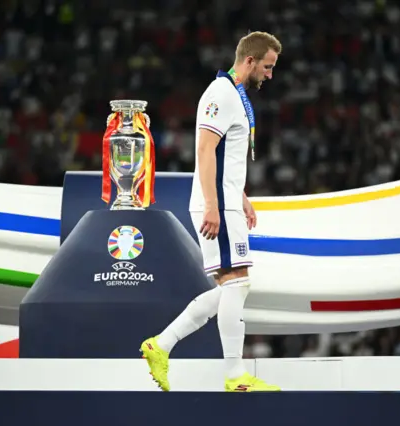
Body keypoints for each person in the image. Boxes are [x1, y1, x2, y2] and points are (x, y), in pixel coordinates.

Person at [140, 31, 282, 392]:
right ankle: (235, 377)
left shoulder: (234, 95)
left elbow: (227, 159)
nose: (270, 74)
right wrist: (214, 206)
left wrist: (241, 196)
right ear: (249, 61)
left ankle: (162, 344)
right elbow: (204, 150)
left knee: (231, 288)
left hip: (226, 199)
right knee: (238, 283)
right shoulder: (220, 94)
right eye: (267, 66)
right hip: (215, 203)